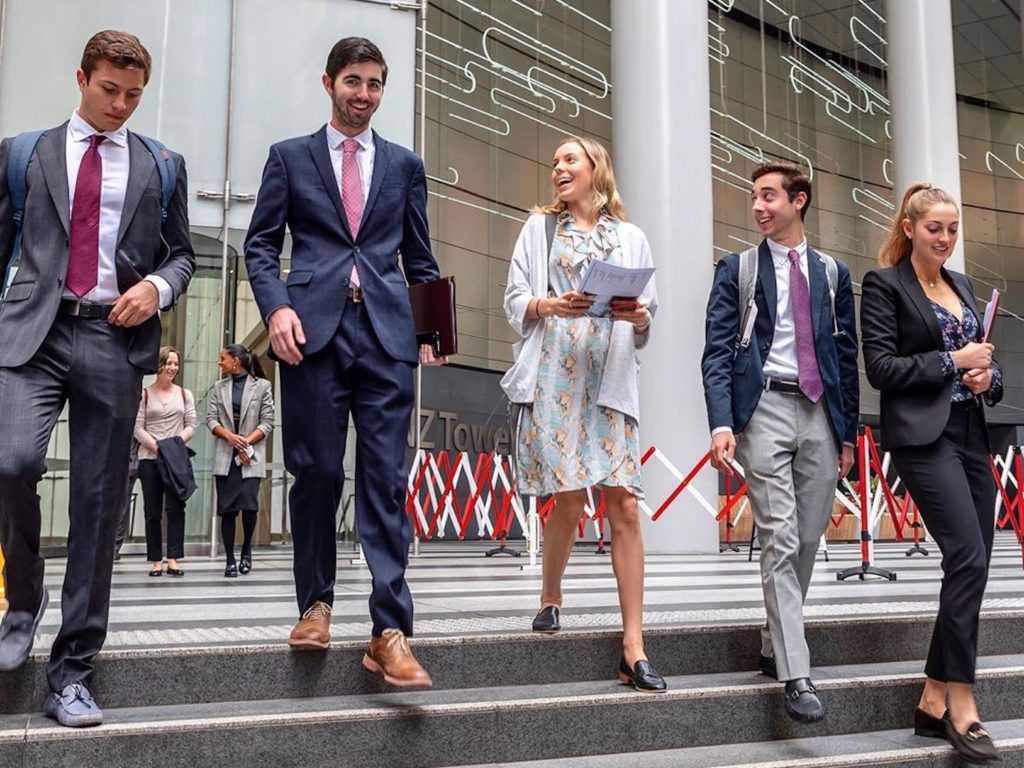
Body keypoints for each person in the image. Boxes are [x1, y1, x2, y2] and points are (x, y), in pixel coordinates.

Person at [0, 30, 193, 727]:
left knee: (98, 505)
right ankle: (22, 601)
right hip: (33, 334)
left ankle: (72, 671)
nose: (120, 105)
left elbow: (183, 256)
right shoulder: (24, 153)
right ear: (81, 77)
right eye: (109, 90)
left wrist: (157, 290)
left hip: (113, 338)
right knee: (12, 458)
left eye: (134, 95)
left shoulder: (161, 164)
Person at [244, 37, 444, 688]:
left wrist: (432, 331)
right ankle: (316, 605)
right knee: (318, 472)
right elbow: (259, 247)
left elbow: (420, 257)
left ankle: (389, 630)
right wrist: (275, 309)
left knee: (385, 480)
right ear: (329, 82)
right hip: (312, 332)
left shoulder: (404, 166)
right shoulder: (290, 159)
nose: (364, 94)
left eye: (376, 84)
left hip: (385, 334)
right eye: (354, 81)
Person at [502, 136, 664, 693]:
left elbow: (648, 315)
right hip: (554, 378)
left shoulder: (630, 235)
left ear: (597, 168)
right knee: (567, 499)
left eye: (569, 160)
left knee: (623, 503)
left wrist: (637, 313)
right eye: (554, 163)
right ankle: (550, 596)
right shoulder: (539, 229)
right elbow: (514, 299)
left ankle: (634, 645)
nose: (558, 169)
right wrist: (551, 304)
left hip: (610, 382)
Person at [700, 161, 859, 723]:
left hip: (819, 410)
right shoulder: (737, 270)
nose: (759, 207)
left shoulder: (834, 274)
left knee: (810, 537)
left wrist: (848, 435)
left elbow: (846, 359)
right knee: (780, 537)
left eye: (769, 196)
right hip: (762, 407)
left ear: (800, 200)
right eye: (754, 197)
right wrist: (722, 423)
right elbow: (717, 351)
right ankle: (796, 673)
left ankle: (773, 642)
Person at [860, 183, 1002, 763]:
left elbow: (990, 368)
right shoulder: (883, 284)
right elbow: (881, 367)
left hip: (972, 436)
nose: (944, 238)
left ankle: (931, 695)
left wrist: (984, 378)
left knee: (976, 562)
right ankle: (961, 703)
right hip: (923, 439)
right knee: (966, 555)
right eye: (934, 228)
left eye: (951, 229)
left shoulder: (963, 287)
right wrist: (953, 361)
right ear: (911, 227)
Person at [207, 344, 275, 578]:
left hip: (250, 456)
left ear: (236, 361)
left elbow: (267, 422)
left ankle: (246, 549)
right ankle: (230, 560)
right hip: (225, 456)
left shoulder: (263, 386)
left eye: (223, 358)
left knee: (249, 506)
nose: (220, 362)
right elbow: (211, 420)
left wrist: (245, 443)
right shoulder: (218, 387)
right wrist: (230, 437)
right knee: (227, 510)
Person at [134, 346, 196, 577]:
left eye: (175, 364)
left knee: (176, 508)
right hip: (149, 459)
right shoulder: (145, 394)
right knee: (152, 511)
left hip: (175, 459)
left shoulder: (184, 394)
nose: (172, 368)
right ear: (158, 365)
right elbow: (137, 427)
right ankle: (155, 561)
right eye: (168, 363)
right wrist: (158, 447)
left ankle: (173, 558)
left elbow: (192, 424)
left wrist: (175, 444)